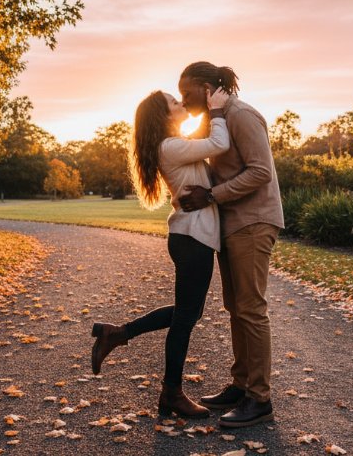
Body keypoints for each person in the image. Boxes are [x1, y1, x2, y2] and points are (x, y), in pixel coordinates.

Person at [90, 86, 230, 418]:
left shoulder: (174, 144)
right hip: (192, 239)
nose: (180, 103)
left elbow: (204, 142)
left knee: (188, 313)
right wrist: (217, 110)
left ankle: (117, 333)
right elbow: (219, 143)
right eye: (173, 101)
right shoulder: (171, 146)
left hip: (191, 238)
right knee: (185, 318)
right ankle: (171, 393)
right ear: (163, 116)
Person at [177, 61, 284, 429]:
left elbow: (260, 171)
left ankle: (260, 398)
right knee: (236, 308)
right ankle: (241, 386)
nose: (183, 99)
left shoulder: (242, 115)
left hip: (254, 222)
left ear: (207, 88)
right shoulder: (218, 118)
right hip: (233, 224)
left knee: (251, 308)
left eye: (186, 92)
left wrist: (211, 195)